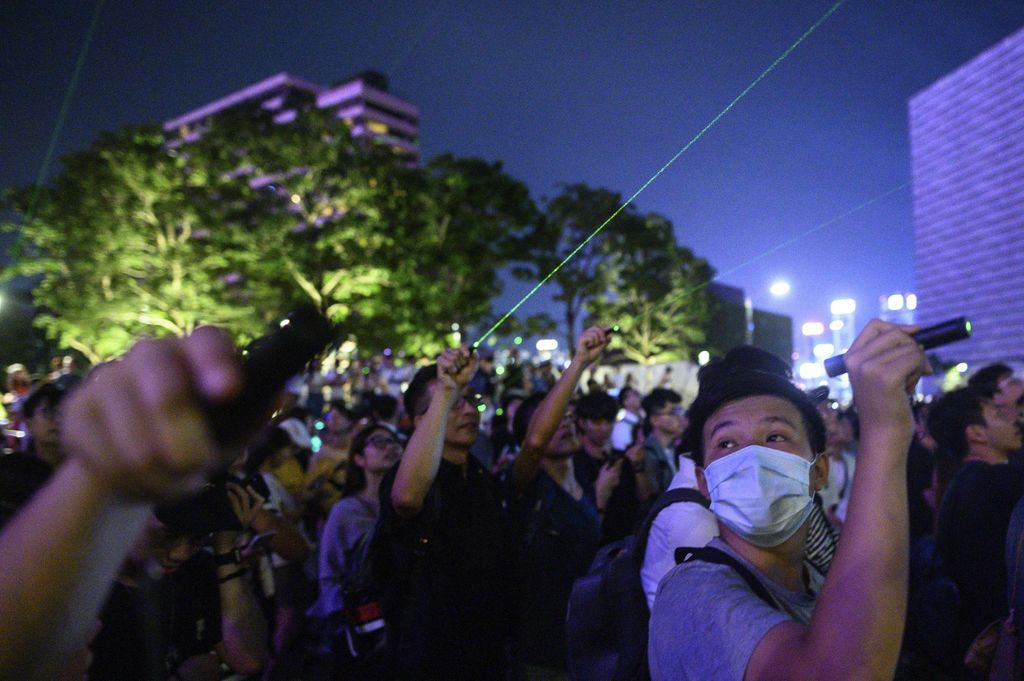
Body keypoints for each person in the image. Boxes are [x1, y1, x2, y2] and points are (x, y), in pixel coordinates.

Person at [649, 319, 929, 681]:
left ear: (819, 470)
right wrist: (884, 429)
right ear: (704, 481)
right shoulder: (692, 593)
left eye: (776, 436)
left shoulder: (814, 581)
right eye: (727, 443)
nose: (752, 458)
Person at [0, 327, 255, 681]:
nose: (90, 625)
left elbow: (250, 658)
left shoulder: (193, 573)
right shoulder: (86, 576)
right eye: (169, 534)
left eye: (195, 537)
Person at [377, 347, 513, 680]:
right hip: (429, 654)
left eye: (471, 400)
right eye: (454, 404)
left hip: (486, 649)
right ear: (422, 419)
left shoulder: (481, 475)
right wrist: (445, 392)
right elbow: (407, 499)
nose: (468, 411)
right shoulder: (408, 477)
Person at [508, 326, 610, 679]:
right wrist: (579, 361)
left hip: (589, 641)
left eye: (568, 417)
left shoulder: (585, 475)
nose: (565, 424)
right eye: (555, 419)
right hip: (543, 648)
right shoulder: (526, 484)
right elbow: (536, 442)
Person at [930, 386, 1024, 675]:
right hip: (1000, 643)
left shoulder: (962, 482)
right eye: (998, 413)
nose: (1014, 419)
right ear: (977, 433)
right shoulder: (997, 484)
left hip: (973, 638)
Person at [572, 389, 652, 543]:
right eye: (597, 422)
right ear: (582, 422)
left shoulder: (621, 458)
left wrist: (638, 467)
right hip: (596, 547)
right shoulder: (575, 463)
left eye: (609, 421)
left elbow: (645, 502)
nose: (604, 428)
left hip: (626, 544)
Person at [639, 388, 687, 497]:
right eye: (673, 412)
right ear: (655, 420)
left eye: (680, 411)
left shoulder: (676, 450)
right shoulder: (646, 455)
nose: (680, 417)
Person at [610, 386, 643, 451]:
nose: (638, 396)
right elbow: (620, 451)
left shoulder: (640, 419)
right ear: (625, 402)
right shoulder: (621, 426)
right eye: (634, 394)